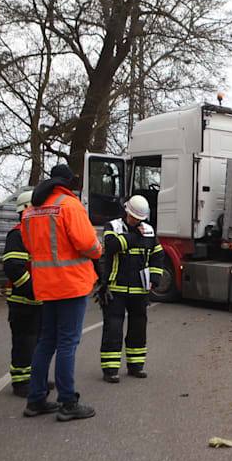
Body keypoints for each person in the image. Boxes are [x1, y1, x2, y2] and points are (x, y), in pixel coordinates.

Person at [21, 164, 103, 421]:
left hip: (46, 285)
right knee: (68, 343)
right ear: (67, 182)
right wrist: (98, 251)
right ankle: (68, 402)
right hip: (71, 284)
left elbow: (28, 244)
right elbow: (88, 244)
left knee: (46, 342)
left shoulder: (31, 211)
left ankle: (35, 400)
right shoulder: (69, 205)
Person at [96, 195, 165, 382]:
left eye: (140, 219)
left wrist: (155, 278)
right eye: (135, 218)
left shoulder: (149, 231)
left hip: (139, 290)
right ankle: (110, 369)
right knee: (113, 328)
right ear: (127, 212)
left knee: (138, 329)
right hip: (115, 288)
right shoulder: (113, 226)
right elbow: (111, 246)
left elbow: (158, 255)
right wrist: (135, 236)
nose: (137, 222)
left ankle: (136, 366)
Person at [3, 191, 42, 397]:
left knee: (37, 341)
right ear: (27, 209)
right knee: (24, 342)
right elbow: (13, 267)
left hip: (38, 300)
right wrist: (32, 290)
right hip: (22, 300)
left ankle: (35, 378)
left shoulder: (35, 233)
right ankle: (21, 382)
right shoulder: (18, 234)